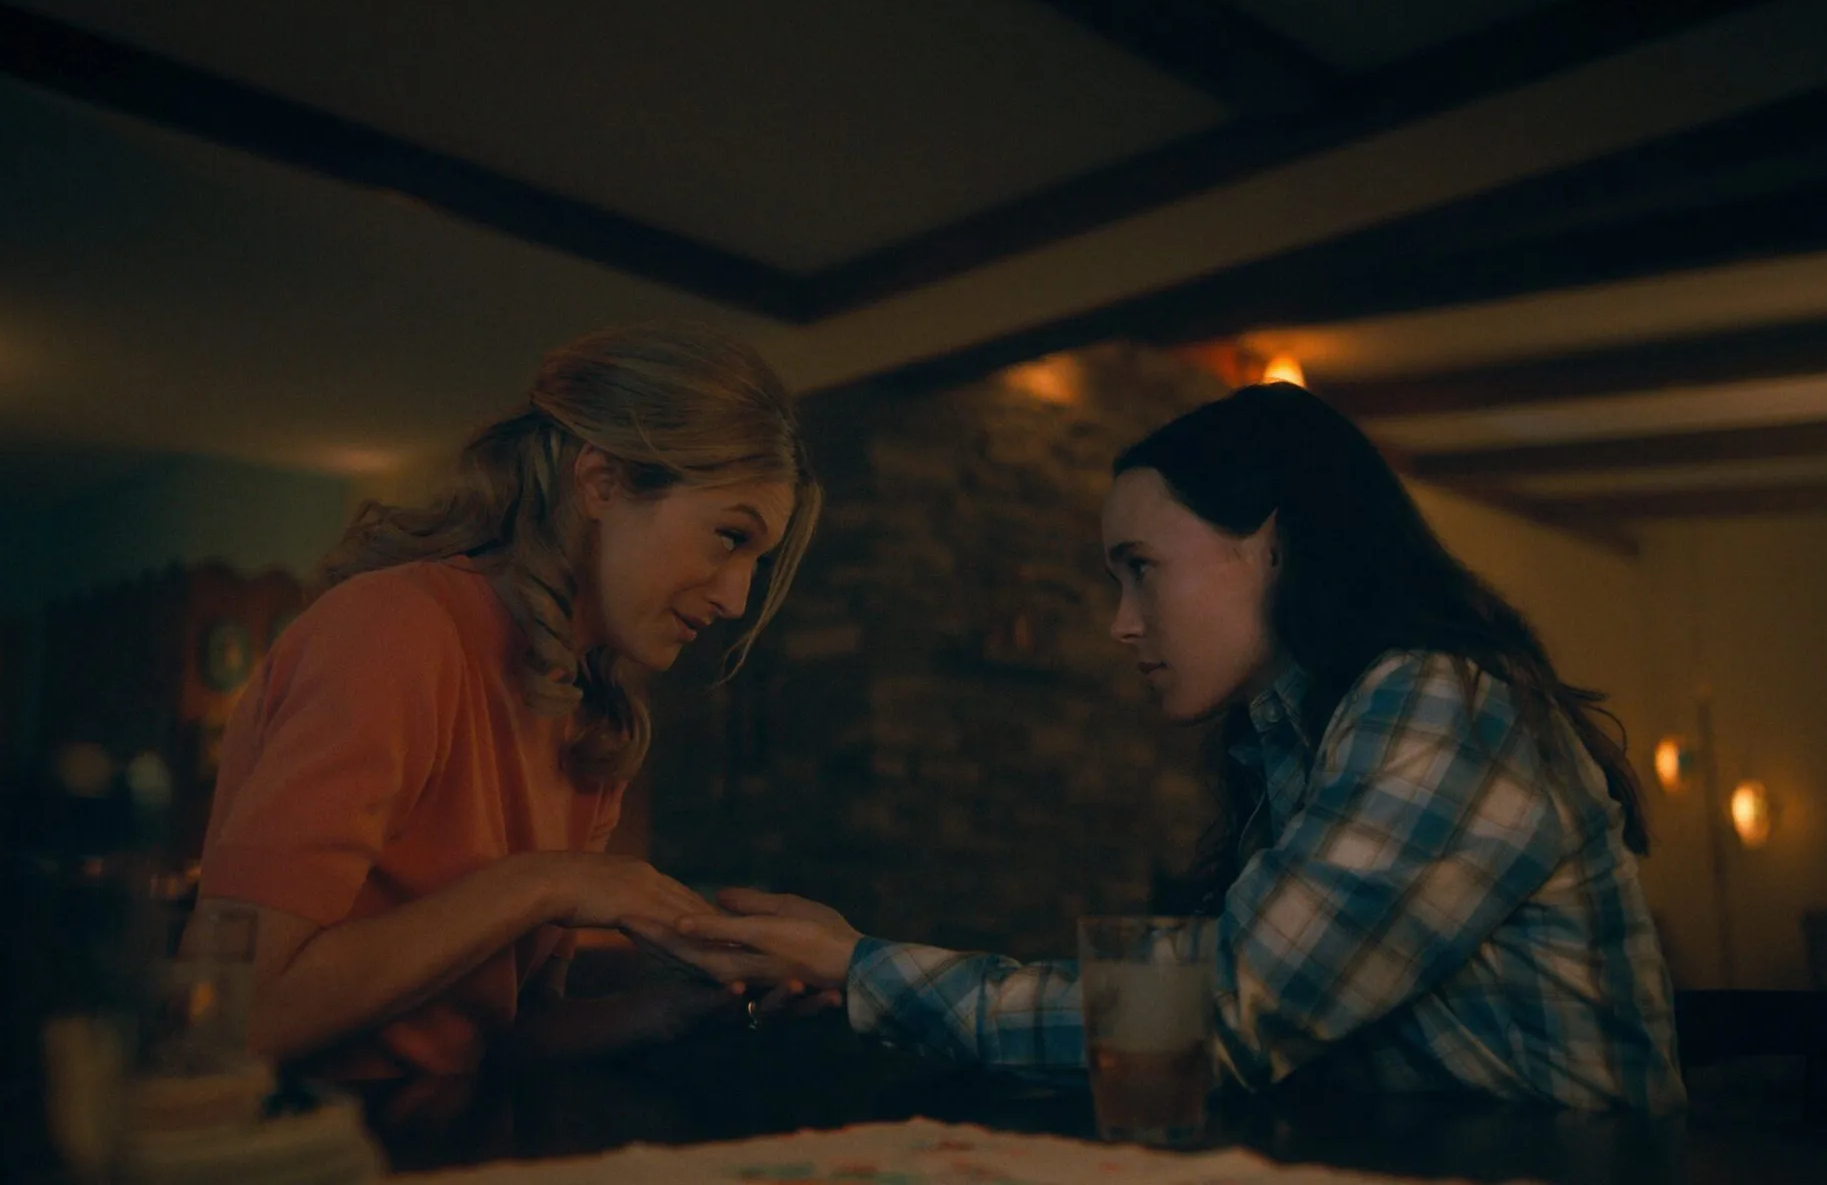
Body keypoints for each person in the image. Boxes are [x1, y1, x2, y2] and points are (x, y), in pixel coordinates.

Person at [635, 383, 1687, 1110]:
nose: (1120, 622)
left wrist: (860, 965)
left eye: (1140, 567)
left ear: (1273, 542)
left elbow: (1213, 1018)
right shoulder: (1301, 733)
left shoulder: (1439, 700)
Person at [193, 327, 827, 1119]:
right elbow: (234, 1020)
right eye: (730, 537)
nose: (735, 599)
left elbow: (494, 1035)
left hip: (442, 1133)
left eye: (756, 563)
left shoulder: (590, 710)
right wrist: (548, 882)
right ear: (601, 482)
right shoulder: (393, 629)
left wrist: (673, 1012)